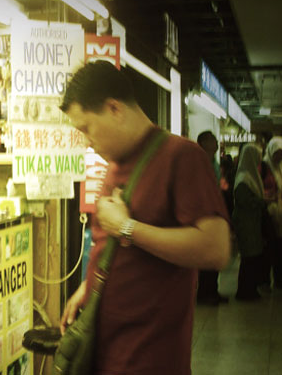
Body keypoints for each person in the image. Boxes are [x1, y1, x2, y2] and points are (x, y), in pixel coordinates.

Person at [58, 61, 230, 374]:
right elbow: (115, 247)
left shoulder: (182, 156)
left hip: (148, 358)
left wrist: (127, 227)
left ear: (114, 109)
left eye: (86, 128)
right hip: (105, 350)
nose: (85, 140)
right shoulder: (115, 164)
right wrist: (91, 286)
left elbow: (217, 249)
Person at [195, 131, 229, 305]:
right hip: (203, 214)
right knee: (206, 258)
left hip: (214, 212)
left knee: (213, 258)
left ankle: (212, 291)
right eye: (213, 140)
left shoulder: (213, 162)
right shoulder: (198, 162)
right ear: (204, 143)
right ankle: (204, 293)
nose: (216, 142)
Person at [233, 143, 267, 300]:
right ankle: (245, 291)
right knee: (248, 256)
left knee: (252, 256)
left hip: (251, 222)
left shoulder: (250, 177)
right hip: (246, 222)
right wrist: (263, 202)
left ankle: (250, 289)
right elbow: (244, 200)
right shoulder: (243, 179)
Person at [262, 137, 282, 289]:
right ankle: (266, 279)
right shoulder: (263, 167)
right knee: (271, 246)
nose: (279, 156)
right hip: (269, 213)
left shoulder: (279, 167)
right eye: (277, 153)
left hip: (279, 212)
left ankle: (278, 278)